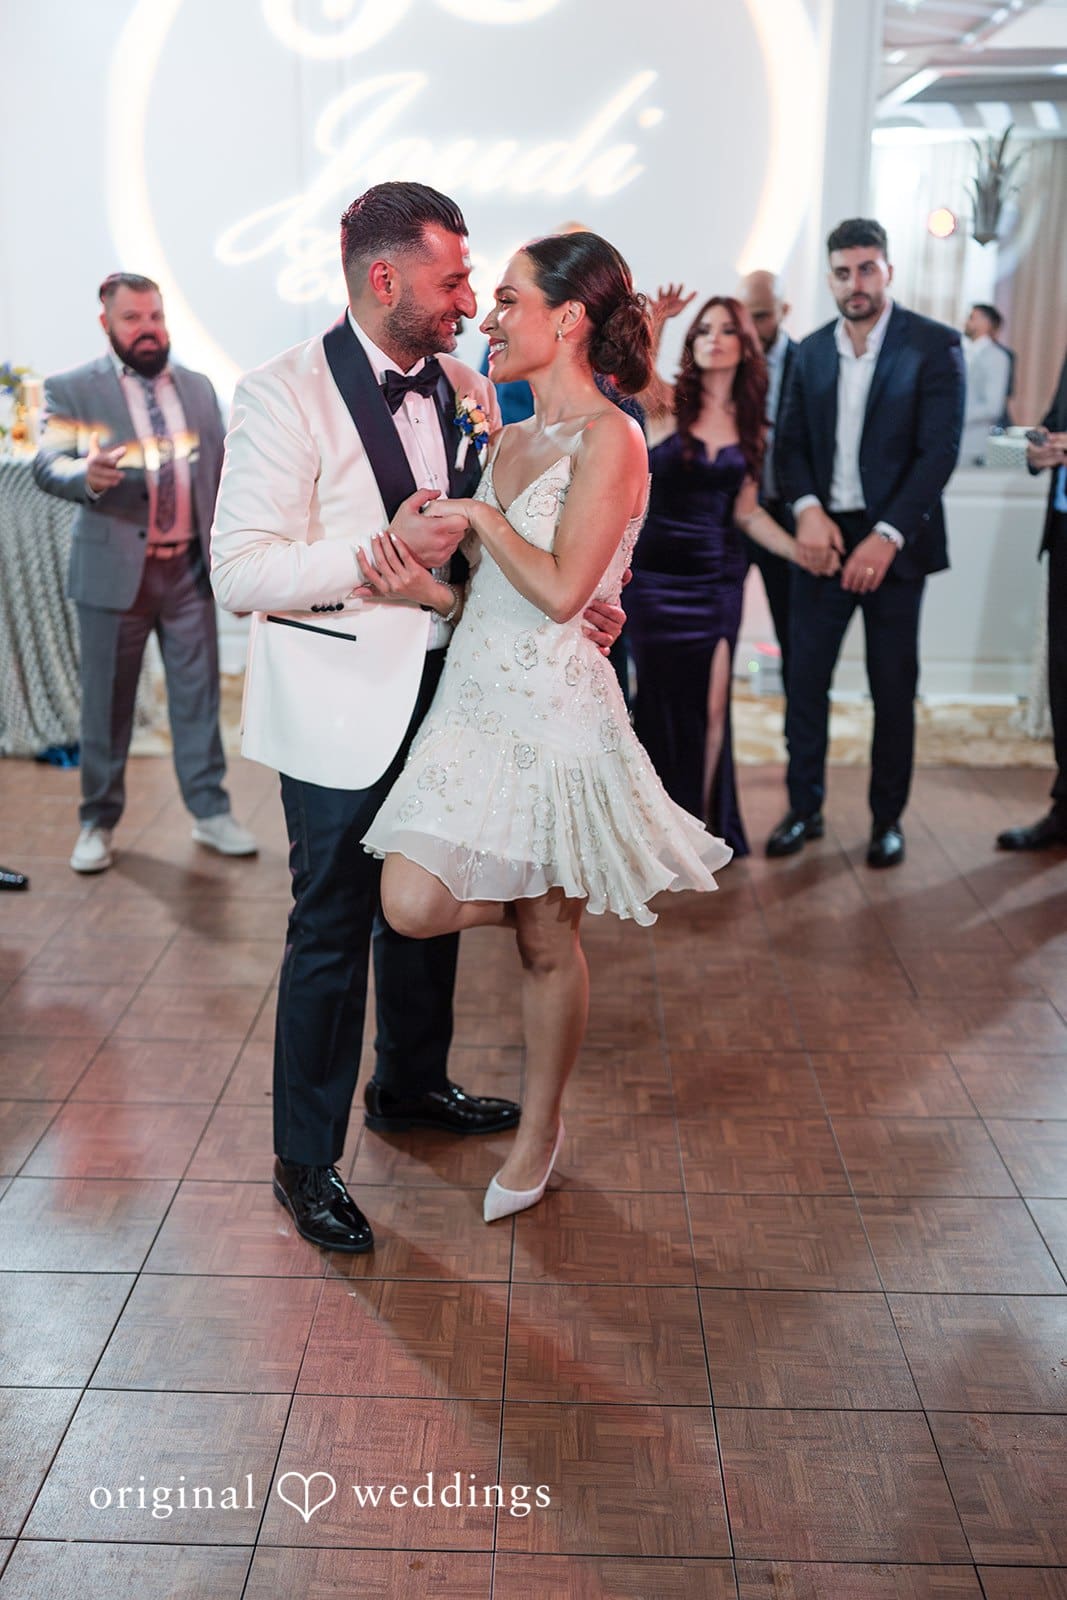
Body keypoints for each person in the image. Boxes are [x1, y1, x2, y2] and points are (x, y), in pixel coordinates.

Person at [210, 184, 625, 1255]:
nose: (470, 298)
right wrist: (369, 558)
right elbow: (238, 569)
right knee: (333, 927)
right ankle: (304, 1162)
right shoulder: (281, 392)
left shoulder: (460, 382)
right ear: (383, 278)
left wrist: (573, 603)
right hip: (341, 699)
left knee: (425, 901)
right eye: (451, 280)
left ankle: (409, 1084)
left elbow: (509, 544)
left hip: (457, 688)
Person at [361, 231, 733, 1222]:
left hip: (557, 712)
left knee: (542, 945)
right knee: (410, 901)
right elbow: (492, 599)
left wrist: (477, 521)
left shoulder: (612, 438)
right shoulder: (509, 433)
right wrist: (424, 597)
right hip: (475, 708)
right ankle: (545, 898)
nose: (491, 315)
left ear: (566, 320)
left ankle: (540, 1129)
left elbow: (567, 590)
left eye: (511, 300)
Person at [33, 273, 256, 874]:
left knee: (198, 698)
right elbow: (47, 463)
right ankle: (97, 823)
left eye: (155, 315)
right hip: (113, 574)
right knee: (106, 707)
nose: (149, 328)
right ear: (106, 324)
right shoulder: (73, 388)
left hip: (186, 572)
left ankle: (211, 812)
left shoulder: (199, 387)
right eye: (133, 318)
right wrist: (86, 477)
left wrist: (231, 560)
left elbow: (221, 474)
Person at [767, 217, 965, 868]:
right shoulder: (810, 350)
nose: (856, 283)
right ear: (830, 278)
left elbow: (937, 452)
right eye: (843, 272)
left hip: (893, 545)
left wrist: (887, 535)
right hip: (822, 538)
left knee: (890, 686)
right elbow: (788, 445)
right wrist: (806, 511)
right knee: (804, 682)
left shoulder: (932, 346)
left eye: (867, 269)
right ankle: (804, 808)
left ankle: (887, 821)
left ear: (887, 271)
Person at [622, 293, 825, 856]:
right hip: (654, 581)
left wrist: (797, 550)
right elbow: (634, 379)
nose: (712, 338)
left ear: (744, 346)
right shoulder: (668, 404)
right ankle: (653, 830)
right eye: (703, 330)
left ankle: (700, 827)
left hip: (716, 580)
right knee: (655, 701)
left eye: (725, 330)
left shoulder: (756, 425)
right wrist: (657, 323)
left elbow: (748, 512)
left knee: (713, 704)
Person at [996, 347, 1067, 851]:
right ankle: (1066, 807)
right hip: (1063, 535)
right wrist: (1031, 452)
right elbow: (1048, 427)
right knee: (1063, 680)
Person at [739, 269, 798, 686]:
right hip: (731, 516)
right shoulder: (723, 359)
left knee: (796, 634)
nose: (752, 328)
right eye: (746, 316)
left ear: (783, 311)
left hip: (787, 509)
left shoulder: (809, 360)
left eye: (761, 316)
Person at [961, 303, 1012, 465]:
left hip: (974, 443)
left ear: (986, 323)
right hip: (953, 440)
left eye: (972, 318)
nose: (966, 322)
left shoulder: (997, 357)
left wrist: (955, 415)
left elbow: (993, 406)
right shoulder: (962, 352)